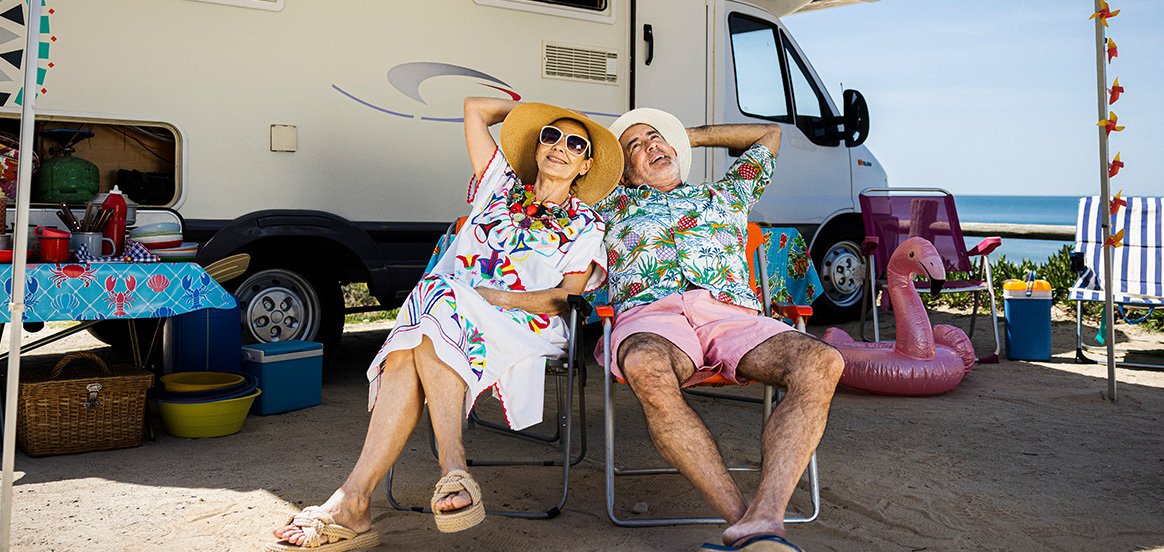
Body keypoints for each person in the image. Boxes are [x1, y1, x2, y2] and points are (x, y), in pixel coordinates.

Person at [267, 98, 621, 551]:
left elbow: (565, 298)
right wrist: (532, 109)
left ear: (585, 165)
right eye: (550, 135)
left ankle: (358, 498)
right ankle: (440, 474)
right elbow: (475, 109)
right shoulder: (498, 185)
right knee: (432, 310)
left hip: (527, 322)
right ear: (536, 147)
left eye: (575, 144)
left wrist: (493, 297)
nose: (560, 147)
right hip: (451, 313)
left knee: (431, 305)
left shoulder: (587, 225)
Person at [594, 108, 844, 552]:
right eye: (635, 146)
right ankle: (746, 525)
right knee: (646, 365)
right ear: (624, 172)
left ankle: (766, 515)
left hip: (731, 317)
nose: (651, 145)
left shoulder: (726, 194)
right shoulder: (608, 205)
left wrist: (683, 134)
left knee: (821, 360)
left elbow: (768, 135)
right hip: (651, 315)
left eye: (655, 138)